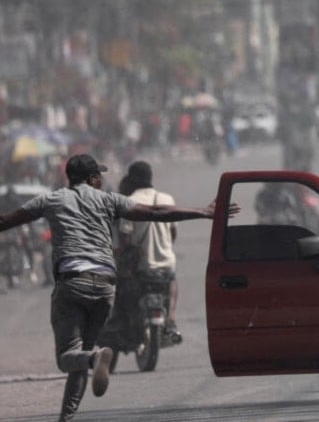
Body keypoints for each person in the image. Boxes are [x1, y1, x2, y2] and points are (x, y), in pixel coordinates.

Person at [0, 154, 237, 421]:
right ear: (91, 178)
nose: (101, 179)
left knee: (68, 357)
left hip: (72, 284)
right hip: (104, 287)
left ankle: (95, 357)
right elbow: (155, 213)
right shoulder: (108, 199)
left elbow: (7, 220)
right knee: (82, 354)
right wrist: (203, 212)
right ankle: (67, 414)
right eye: (98, 175)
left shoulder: (51, 199)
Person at [115, 161, 182, 338]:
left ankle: (124, 324)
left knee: (121, 289)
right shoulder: (167, 199)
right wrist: (165, 247)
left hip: (141, 265)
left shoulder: (129, 202)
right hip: (166, 263)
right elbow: (173, 233)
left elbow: (124, 239)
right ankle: (172, 318)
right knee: (172, 279)